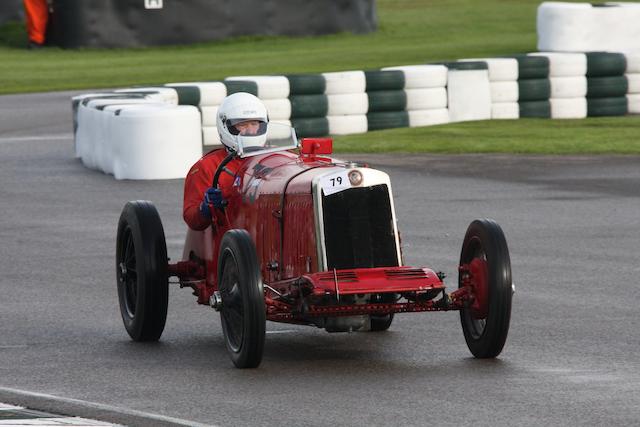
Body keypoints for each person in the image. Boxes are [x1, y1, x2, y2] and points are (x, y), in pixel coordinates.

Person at [183, 92, 269, 231]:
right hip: (229, 240)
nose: (250, 131)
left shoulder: (278, 157)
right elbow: (192, 219)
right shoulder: (206, 166)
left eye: (254, 124)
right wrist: (206, 207)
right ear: (225, 126)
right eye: (242, 125)